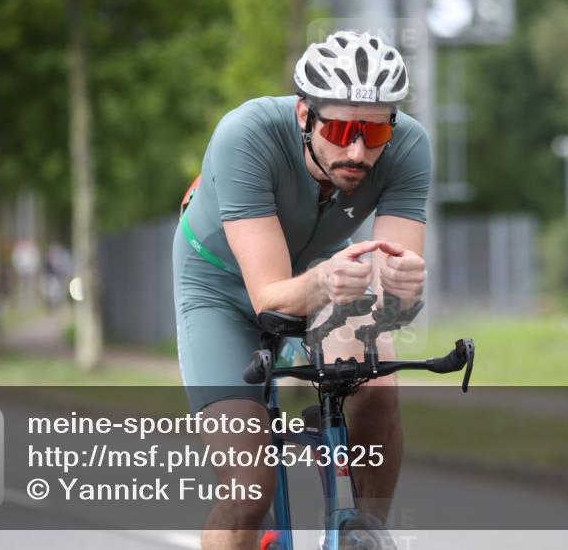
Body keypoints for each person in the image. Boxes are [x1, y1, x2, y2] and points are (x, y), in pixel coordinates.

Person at [173, 30, 430, 549]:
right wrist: (326, 280)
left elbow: (394, 307)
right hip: (219, 287)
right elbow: (269, 297)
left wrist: (403, 292)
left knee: (378, 382)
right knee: (249, 490)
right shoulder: (245, 134)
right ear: (304, 114)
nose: (357, 150)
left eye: (375, 133)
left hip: (323, 272)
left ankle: (366, 534)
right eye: (340, 129)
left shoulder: (409, 147)